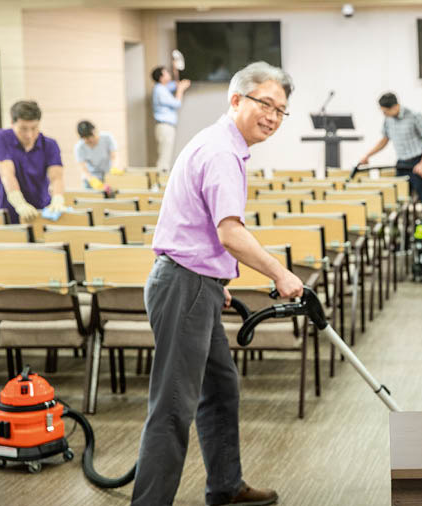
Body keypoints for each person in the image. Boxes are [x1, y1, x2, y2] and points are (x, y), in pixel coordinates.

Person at [132, 61, 303, 506]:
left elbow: (200, 225)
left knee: (221, 388)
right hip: (184, 285)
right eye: (266, 104)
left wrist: (214, 276)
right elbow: (230, 232)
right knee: (172, 408)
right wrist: (280, 273)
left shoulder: (220, 144)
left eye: (281, 110)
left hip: (195, 282)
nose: (273, 116)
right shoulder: (222, 152)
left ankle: (226, 486)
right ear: (236, 99)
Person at [359, 92, 422, 217]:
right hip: (402, 163)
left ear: (395, 107)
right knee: (398, 201)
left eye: (385, 111)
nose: (384, 114)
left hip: (418, 162)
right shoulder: (388, 119)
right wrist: (368, 155)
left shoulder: (414, 116)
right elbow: (384, 140)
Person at [0, 100, 66, 224]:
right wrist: (19, 203)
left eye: (34, 128)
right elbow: (6, 173)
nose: (29, 135)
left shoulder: (49, 144)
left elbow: (56, 177)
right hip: (10, 210)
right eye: (23, 129)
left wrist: (57, 198)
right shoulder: (0, 138)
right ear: (12, 123)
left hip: (41, 210)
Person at [151, 64, 191, 172]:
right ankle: (160, 179)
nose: (169, 75)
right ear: (161, 77)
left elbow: (176, 84)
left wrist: (175, 70)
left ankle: (162, 177)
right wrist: (180, 90)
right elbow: (177, 103)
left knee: (166, 156)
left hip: (166, 127)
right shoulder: (159, 90)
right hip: (164, 126)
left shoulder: (163, 88)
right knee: (164, 158)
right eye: (166, 73)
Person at [73, 120, 117, 190]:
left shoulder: (107, 138)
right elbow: (82, 168)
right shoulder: (80, 147)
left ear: (95, 131)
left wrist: (114, 167)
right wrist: (91, 180)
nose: (89, 139)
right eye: (85, 138)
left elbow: (113, 156)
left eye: (90, 136)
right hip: (92, 177)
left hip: (108, 174)